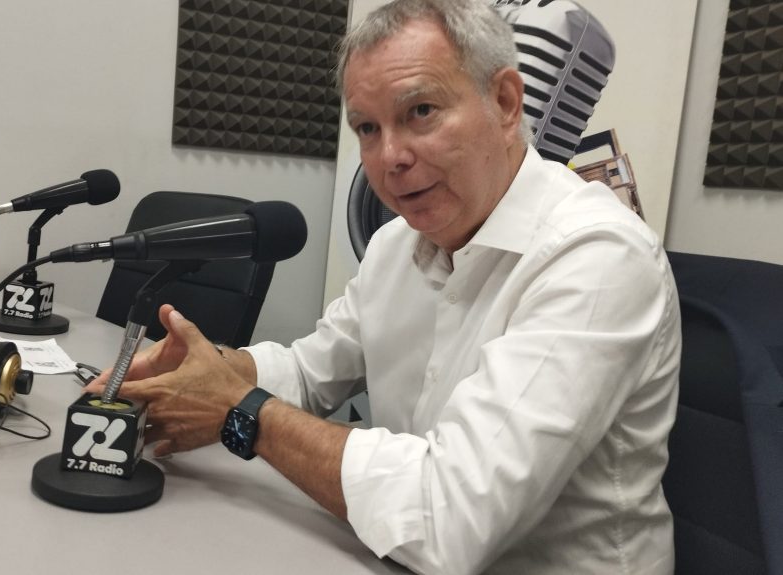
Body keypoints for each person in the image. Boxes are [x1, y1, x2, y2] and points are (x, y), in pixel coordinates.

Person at [88, 0, 681, 573]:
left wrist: (238, 410)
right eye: (368, 128)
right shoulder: (397, 243)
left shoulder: (597, 255)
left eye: (419, 111)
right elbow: (309, 373)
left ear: (504, 102)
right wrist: (211, 370)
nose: (389, 156)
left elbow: (450, 520)